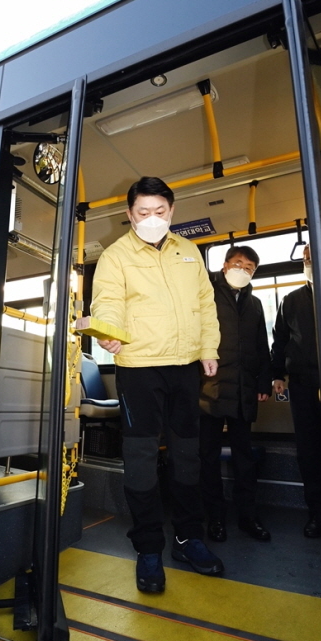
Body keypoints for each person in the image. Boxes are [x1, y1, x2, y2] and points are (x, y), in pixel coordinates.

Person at [91, 176, 223, 593]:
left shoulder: (189, 251)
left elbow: (205, 303)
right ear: (129, 214)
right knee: (142, 458)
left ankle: (188, 538)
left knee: (189, 455)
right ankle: (149, 548)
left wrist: (209, 347)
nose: (152, 219)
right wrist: (107, 331)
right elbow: (107, 301)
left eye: (160, 212)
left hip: (185, 365)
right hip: (139, 366)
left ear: (172, 212)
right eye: (143, 213)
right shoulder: (115, 257)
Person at [200, 245, 272, 543]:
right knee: (208, 457)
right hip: (208, 389)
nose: (244, 270)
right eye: (239, 263)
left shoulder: (254, 304)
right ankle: (215, 518)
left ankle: (247, 516)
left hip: (243, 389)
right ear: (226, 264)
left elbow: (261, 346)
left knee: (244, 458)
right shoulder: (205, 293)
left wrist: (264, 382)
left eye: (250, 267)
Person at [270, 245, 321, 538]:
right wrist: (278, 375)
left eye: (314, 256)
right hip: (304, 383)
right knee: (308, 449)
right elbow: (279, 341)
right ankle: (317, 512)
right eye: (306, 258)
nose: (310, 262)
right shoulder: (291, 300)